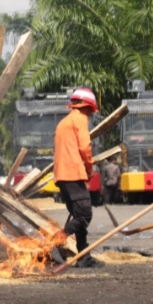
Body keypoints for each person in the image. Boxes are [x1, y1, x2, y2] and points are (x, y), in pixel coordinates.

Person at [53, 87, 102, 268]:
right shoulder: (79, 120)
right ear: (87, 107)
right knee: (84, 215)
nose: (90, 114)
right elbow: (85, 148)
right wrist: (89, 168)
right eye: (90, 110)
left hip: (62, 176)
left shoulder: (63, 123)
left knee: (78, 215)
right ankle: (55, 244)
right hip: (73, 173)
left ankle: (83, 256)